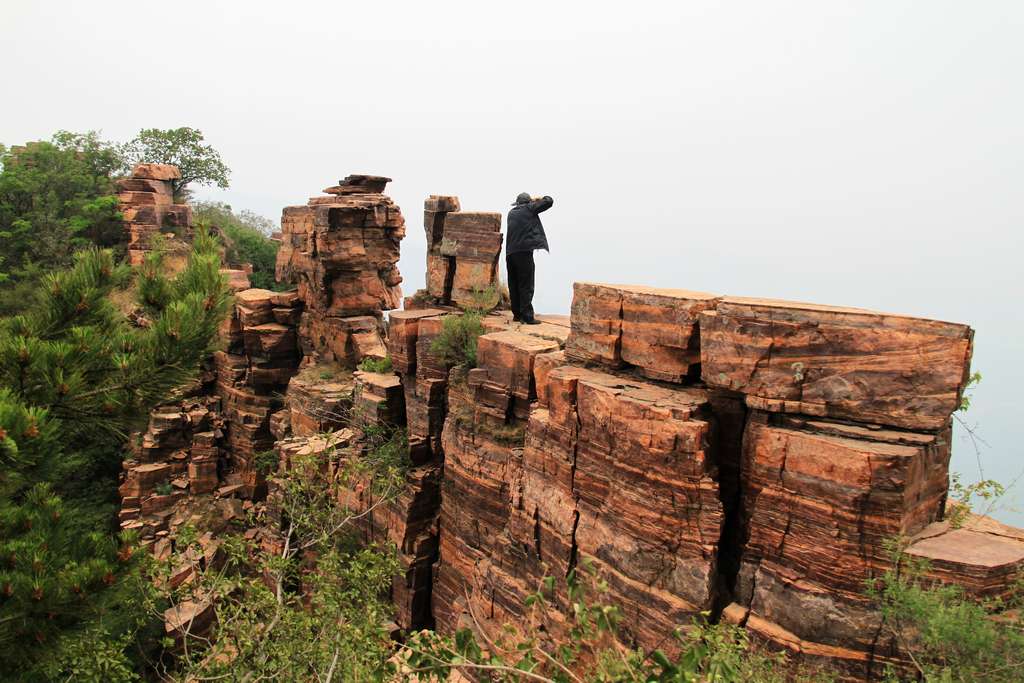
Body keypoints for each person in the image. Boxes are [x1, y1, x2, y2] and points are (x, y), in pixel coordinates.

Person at [505, 192, 554, 324]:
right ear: (528, 203)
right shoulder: (529, 208)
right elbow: (549, 201)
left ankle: (517, 315)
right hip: (523, 253)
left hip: (510, 254)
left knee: (513, 284)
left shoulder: (511, 213)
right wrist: (535, 200)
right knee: (526, 284)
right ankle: (527, 317)